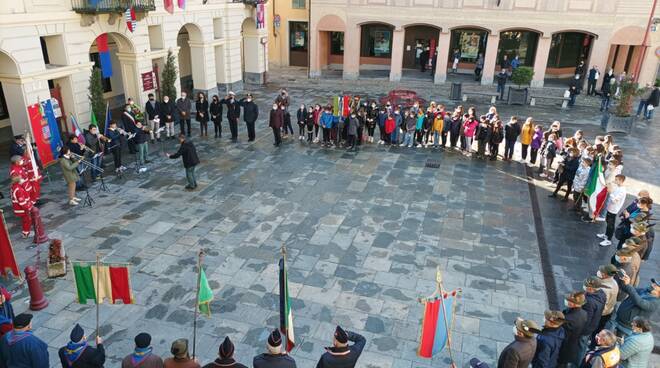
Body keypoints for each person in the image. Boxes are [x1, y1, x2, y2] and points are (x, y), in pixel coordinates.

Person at [579, 277, 607, 361]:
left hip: (585, 329)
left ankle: (577, 364)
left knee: (580, 348)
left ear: (590, 288)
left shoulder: (589, 302)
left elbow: (586, 319)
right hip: (593, 326)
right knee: (583, 346)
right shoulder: (602, 293)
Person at [558, 292, 588, 368]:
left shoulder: (569, 319)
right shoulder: (584, 313)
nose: (566, 301)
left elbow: (562, 335)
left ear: (573, 303)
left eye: (568, 300)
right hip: (572, 346)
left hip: (564, 348)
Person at [596, 174, 627, 247]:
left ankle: (608, 240)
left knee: (611, 225)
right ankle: (606, 235)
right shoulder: (617, 187)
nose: (615, 181)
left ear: (621, 181)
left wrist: (610, 193)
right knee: (607, 221)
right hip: (610, 208)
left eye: (616, 180)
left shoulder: (622, 191)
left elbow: (615, 200)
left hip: (614, 209)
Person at [595, 265, 619, 334]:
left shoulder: (604, 289)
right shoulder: (614, 282)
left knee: (595, 330)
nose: (599, 272)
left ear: (605, 275)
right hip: (609, 311)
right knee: (599, 328)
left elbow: (601, 305)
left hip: (601, 314)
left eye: (601, 271)